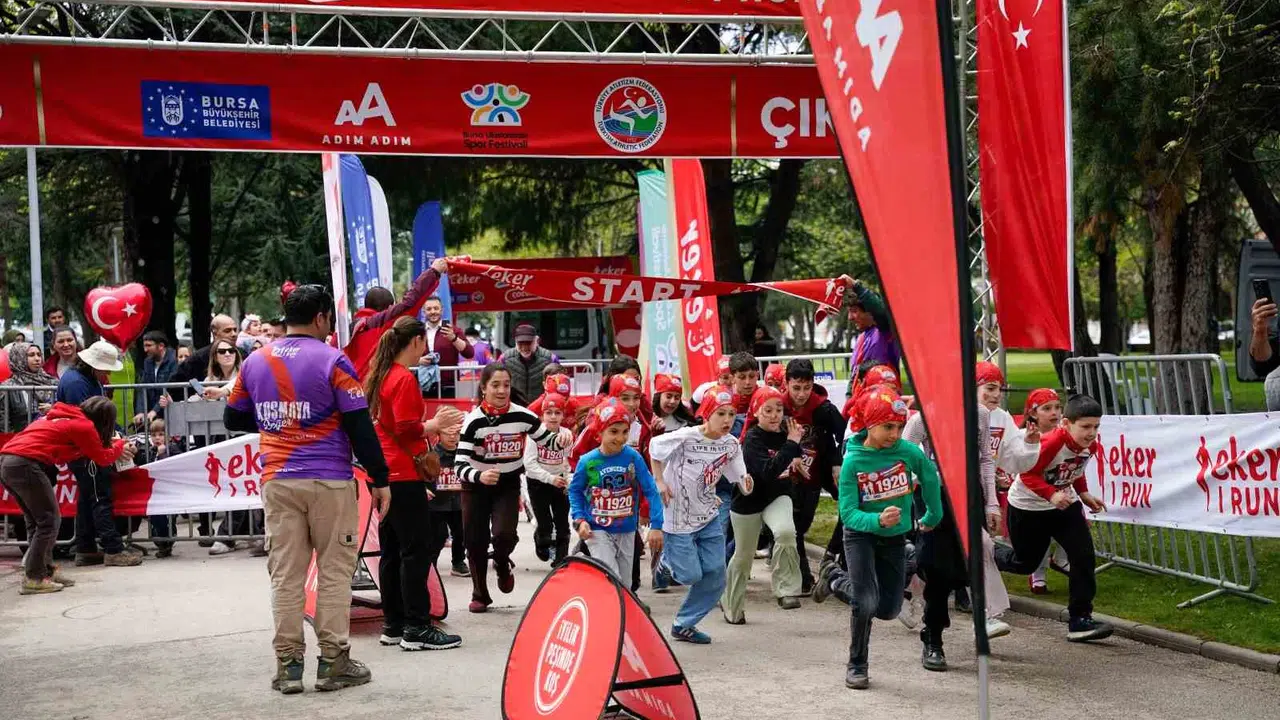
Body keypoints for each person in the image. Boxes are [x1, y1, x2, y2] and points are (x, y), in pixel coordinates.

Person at [223, 283, 392, 695]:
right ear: (320, 318)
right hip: (329, 480)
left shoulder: (254, 362)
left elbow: (233, 417)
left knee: (285, 576)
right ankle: (334, 663)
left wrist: (278, 425)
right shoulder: (333, 360)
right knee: (335, 574)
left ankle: (288, 667)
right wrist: (381, 477)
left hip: (278, 480)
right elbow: (359, 425)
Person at [825, 386, 941, 690]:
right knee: (864, 603)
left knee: (888, 609)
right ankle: (857, 665)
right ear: (869, 424)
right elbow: (848, 513)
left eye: (900, 427)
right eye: (888, 427)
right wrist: (876, 519)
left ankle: (835, 579)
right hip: (860, 536)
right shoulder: (853, 460)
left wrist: (932, 515)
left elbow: (929, 477)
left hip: (893, 537)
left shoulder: (907, 451)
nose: (895, 433)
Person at [364, 316, 464, 653]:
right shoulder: (402, 378)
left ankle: (394, 623)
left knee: (392, 551)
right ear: (419, 341)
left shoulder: (381, 375)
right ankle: (417, 626)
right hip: (403, 473)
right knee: (415, 551)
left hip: (384, 471)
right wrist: (434, 424)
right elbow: (407, 427)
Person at [994, 394, 1114, 644]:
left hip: (1063, 505)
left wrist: (1083, 493)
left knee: (1083, 556)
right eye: (1085, 427)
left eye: (1096, 427)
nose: (1092, 433)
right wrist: (1051, 494)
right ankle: (986, 552)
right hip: (1028, 507)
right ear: (1066, 424)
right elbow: (1026, 474)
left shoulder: (1088, 444)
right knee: (1025, 563)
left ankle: (1080, 619)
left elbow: (1074, 468)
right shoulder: (1050, 442)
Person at [453, 364, 571, 613]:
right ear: (483, 388)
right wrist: (479, 475)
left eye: (506, 385)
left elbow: (547, 439)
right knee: (475, 540)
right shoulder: (473, 422)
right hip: (475, 485)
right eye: (495, 385)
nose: (501, 390)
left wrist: (561, 439)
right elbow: (458, 465)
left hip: (507, 483)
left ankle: (502, 560)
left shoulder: (523, 416)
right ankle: (480, 594)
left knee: (504, 535)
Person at [649, 388, 753, 645]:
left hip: (707, 515)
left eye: (731, 414)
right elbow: (654, 447)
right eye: (721, 414)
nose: (727, 420)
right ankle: (666, 561)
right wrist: (660, 480)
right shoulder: (685, 437)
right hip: (679, 516)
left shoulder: (730, 443)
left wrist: (745, 482)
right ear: (707, 414)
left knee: (716, 575)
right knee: (690, 576)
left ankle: (684, 624)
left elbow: (739, 475)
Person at [0, 396, 135, 594]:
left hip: (8, 461)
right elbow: (103, 458)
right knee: (48, 521)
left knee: (36, 522)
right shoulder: (84, 426)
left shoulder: (65, 417)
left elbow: (71, 452)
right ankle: (34, 577)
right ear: (105, 420)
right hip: (25, 464)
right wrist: (120, 445)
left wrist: (111, 445)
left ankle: (43, 572)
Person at [55, 341, 143, 568]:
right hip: (86, 449)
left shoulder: (85, 379)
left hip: (86, 446)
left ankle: (85, 548)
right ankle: (113, 549)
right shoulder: (77, 383)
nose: (107, 374)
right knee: (99, 498)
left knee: (88, 499)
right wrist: (115, 444)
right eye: (105, 368)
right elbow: (88, 423)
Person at [722, 386, 804, 623]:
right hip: (748, 502)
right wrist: (791, 445)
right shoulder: (752, 439)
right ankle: (731, 604)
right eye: (767, 410)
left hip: (778, 496)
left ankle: (786, 590)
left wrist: (795, 451)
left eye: (778, 409)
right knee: (743, 556)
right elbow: (767, 472)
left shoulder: (789, 433)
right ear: (756, 412)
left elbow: (791, 458)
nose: (774, 415)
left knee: (786, 532)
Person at [570, 398, 665, 582]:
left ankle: (618, 607)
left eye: (625, 432)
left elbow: (651, 489)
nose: (620, 438)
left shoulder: (633, 457)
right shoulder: (587, 461)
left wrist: (657, 525)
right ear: (599, 433)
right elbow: (575, 491)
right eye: (614, 432)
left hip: (627, 528)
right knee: (611, 578)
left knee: (626, 585)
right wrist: (580, 519)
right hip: (597, 529)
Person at [782, 359, 845, 594]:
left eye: (806, 388)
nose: (801, 394)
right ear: (786, 383)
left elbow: (845, 435)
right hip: (793, 476)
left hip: (823, 468)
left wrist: (837, 463)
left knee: (853, 505)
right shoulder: (778, 406)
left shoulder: (824, 408)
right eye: (796, 388)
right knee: (796, 526)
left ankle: (832, 555)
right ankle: (805, 576)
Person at [346, 258, 449, 380]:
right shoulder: (381, 324)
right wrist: (434, 272)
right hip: (374, 391)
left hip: (350, 393)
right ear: (390, 308)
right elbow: (410, 303)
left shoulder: (346, 330)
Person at [1020, 389, 1071, 593]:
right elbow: (1022, 468)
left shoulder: (1066, 433)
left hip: (1062, 487)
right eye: (1047, 408)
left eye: (1058, 407)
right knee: (1040, 536)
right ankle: (1038, 574)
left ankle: (1061, 558)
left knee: (1073, 526)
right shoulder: (1028, 437)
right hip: (1034, 494)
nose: (1054, 413)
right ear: (1033, 413)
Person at [523, 393, 573, 565]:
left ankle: (561, 560)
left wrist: (567, 480)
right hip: (538, 483)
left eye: (557, 412)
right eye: (549, 412)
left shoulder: (567, 435)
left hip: (559, 482)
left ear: (563, 415)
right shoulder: (534, 435)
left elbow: (568, 462)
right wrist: (550, 478)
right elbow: (529, 463)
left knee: (562, 523)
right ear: (542, 415)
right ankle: (542, 541)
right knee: (545, 524)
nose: (553, 416)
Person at [430, 423, 469, 578]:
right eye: (448, 433)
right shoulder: (432, 455)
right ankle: (431, 565)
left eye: (456, 433)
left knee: (462, 533)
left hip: (459, 502)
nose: (453, 437)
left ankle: (458, 562)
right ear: (439, 434)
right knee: (437, 536)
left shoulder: (464, 454)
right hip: (436, 504)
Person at [170, 314, 238, 400]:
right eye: (227, 331)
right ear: (215, 334)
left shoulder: (244, 355)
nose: (234, 334)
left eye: (235, 330)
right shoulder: (198, 359)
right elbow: (177, 386)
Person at [419, 296, 474, 399]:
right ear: (424, 311)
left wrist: (454, 338)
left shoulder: (453, 330)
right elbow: (406, 356)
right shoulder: (417, 331)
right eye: (429, 309)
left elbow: (469, 353)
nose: (433, 312)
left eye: (436, 308)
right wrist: (418, 360)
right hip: (423, 385)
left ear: (442, 310)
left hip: (447, 385)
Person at [847, 279, 900, 374]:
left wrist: (856, 286)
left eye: (854, 311)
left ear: (870, 312)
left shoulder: (885, 331)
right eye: (849, 312)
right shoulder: (862, 338)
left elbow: (880, 312)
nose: (850, 317)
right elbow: (854, 376)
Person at [2, 342, 58, 433]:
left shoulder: (52, 382)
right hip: (20, 440)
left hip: (49, 436)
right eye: (31, 355)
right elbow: (3, 421)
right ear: (19, 358)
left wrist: (54, 409)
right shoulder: (8, 387)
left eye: (39, 355)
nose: (37, 359)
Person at [500, 323, 560, 406]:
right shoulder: (504, 359)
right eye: (520, 343)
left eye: (528, 343)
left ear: (537, 341)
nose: (524, 347)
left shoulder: (550, 358)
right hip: (515, 407)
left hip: (542, 407)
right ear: (515, 342)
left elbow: (559, 385)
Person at [133, 331, 177, 428]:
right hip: (153, 414)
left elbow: (169, 388)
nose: (145, 350)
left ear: (161, 346)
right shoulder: (147, 362)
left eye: (149, 345)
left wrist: (154, 411)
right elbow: (143, 388)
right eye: (144, 346)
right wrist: (141, 411)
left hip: (170, 411)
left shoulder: (174, 359)